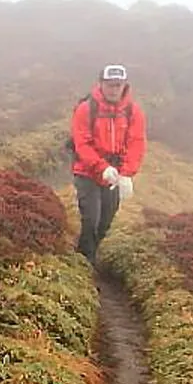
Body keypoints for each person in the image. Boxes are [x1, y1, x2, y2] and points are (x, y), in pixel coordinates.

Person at [69, 64, 147, 264]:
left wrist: (128, 174)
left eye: (118, 85)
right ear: (101, 84)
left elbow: (136, 142)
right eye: (110, 85)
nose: (114, 89)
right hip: (87, 172)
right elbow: (82, 143)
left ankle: (90, 252)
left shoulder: (133, 112)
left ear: (124, 86)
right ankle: (86, 262)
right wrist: (101, 167)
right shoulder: (86, 109)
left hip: (116, 175)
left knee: (105, 221)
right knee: (91, 220)